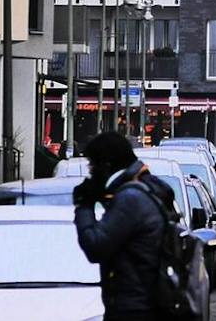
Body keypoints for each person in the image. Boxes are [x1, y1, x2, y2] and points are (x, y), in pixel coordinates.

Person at [72, 130, 176, 321]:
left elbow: (96, 247)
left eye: (92, 165)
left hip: (134, 308)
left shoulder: (130, 199)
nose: (91, 172)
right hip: (146, 303)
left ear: (106, 165)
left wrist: (83, 205)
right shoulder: (142, 189)